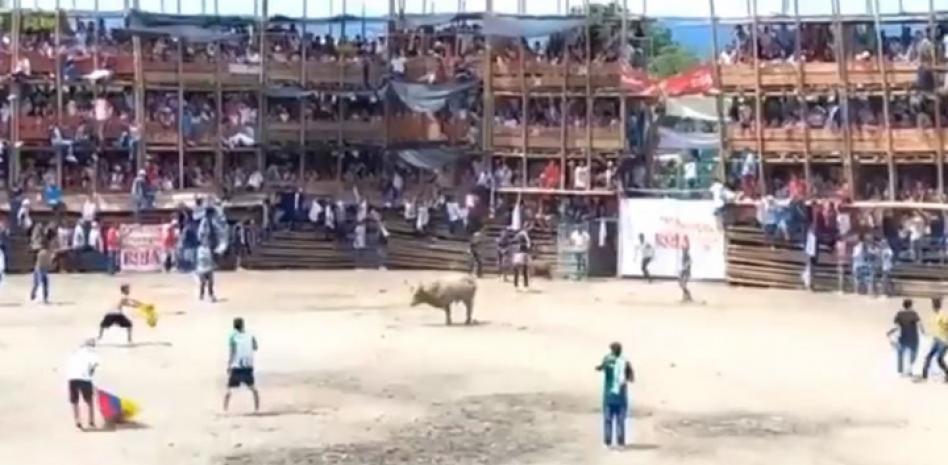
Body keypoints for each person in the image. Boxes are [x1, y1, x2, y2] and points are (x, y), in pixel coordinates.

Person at [595, 342, 634, 448]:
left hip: (608, 396)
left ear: (611, 350)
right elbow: (631, 378)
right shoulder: (625, 362)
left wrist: (600, 368)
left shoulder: (607, 359)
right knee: (620, 421)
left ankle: (607, 442)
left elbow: (601, 368)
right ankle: (620, 442)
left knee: (608, 420)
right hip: (621, 397)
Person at [224, 317, 260, 412]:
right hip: (248, 365)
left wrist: (229, 365)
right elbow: (255, 347)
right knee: (253, 388)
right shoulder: (250, 335)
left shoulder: (233, 337)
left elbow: (232, 352)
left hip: (237, 366)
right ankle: (256, 409)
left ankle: (225, 409)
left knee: (229, 389)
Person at [66, 338, 100, 430]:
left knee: (75, 401)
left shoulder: (75, 353)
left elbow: (70, 365)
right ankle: (91, 421)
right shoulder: (93, 354)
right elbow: (92, 369)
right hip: (84, 379)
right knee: (89, 401)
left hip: (72, 378)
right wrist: (91, 378)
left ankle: (77, 421)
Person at [888, 299, 923, 377]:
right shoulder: (914, 314)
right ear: (910, 306)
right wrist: (923, 331)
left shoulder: (899, 314)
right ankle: (910, 369)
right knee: (913, 353)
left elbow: (896, 326)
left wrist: (890, 332)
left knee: (900, 354)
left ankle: (900, 370)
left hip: (903, 337)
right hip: (913, 337)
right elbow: (919, 324)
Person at [919, 297, 948, 382]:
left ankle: (947, 374)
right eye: (933, 304)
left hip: (943, 340)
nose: (934, 306)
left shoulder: (943, 316)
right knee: (928, 357)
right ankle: (924, 376)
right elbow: (933, 327)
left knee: (939, 358)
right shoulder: (933, 316)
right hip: (936, 340)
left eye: (935, 304)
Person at [679, 236, 693, 303]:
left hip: (686, 271)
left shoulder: (687, 254)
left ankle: (688, 296)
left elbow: (690, 261)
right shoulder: (683, 255)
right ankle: (685, 296)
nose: (682, 249)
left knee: (683, 284)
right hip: (683, 271)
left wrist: (685, 266)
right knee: (681, 284)